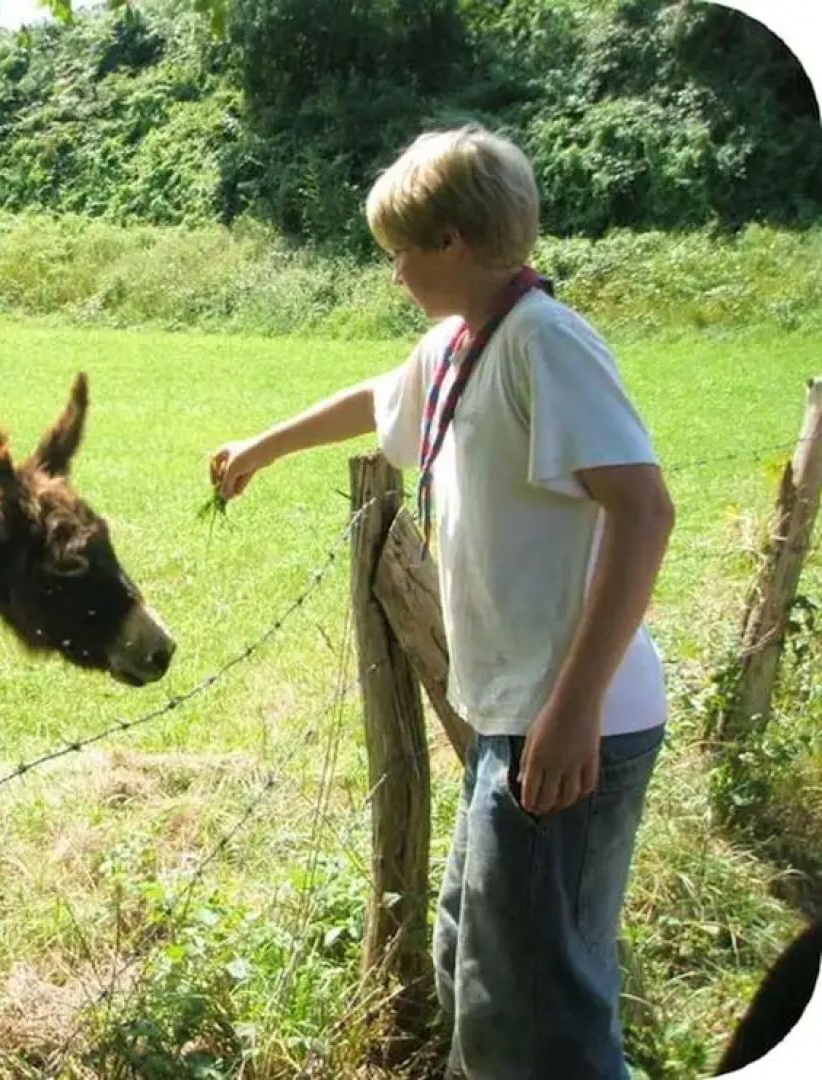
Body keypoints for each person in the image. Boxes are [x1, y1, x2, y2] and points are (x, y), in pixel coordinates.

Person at [208, 123, 675, 1079]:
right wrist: (259, 447)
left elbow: (644, 512)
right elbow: (376, 399)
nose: (394, 277)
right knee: (478, 965)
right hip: (516, 713)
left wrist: (573, 709)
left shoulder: (545, 344)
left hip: (573, 721)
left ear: (453, 242)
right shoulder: (463, 343)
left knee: (541, 1016)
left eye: (400, 255)